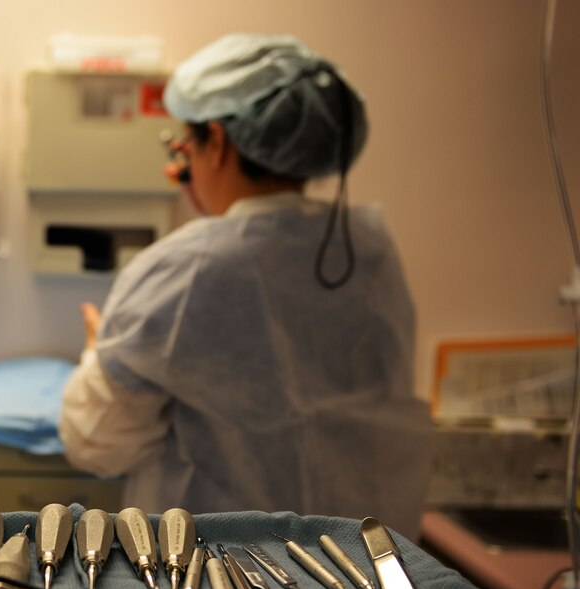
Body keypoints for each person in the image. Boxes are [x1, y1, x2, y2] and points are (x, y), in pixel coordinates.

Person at [58, 34, 431, 538]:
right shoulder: (367, 250)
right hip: (359, 558)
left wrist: (94, 352)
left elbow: (99, 444)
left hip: (220, 569)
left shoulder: (184, 267)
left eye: (184, 145)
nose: (179, 161)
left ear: (216, 140)